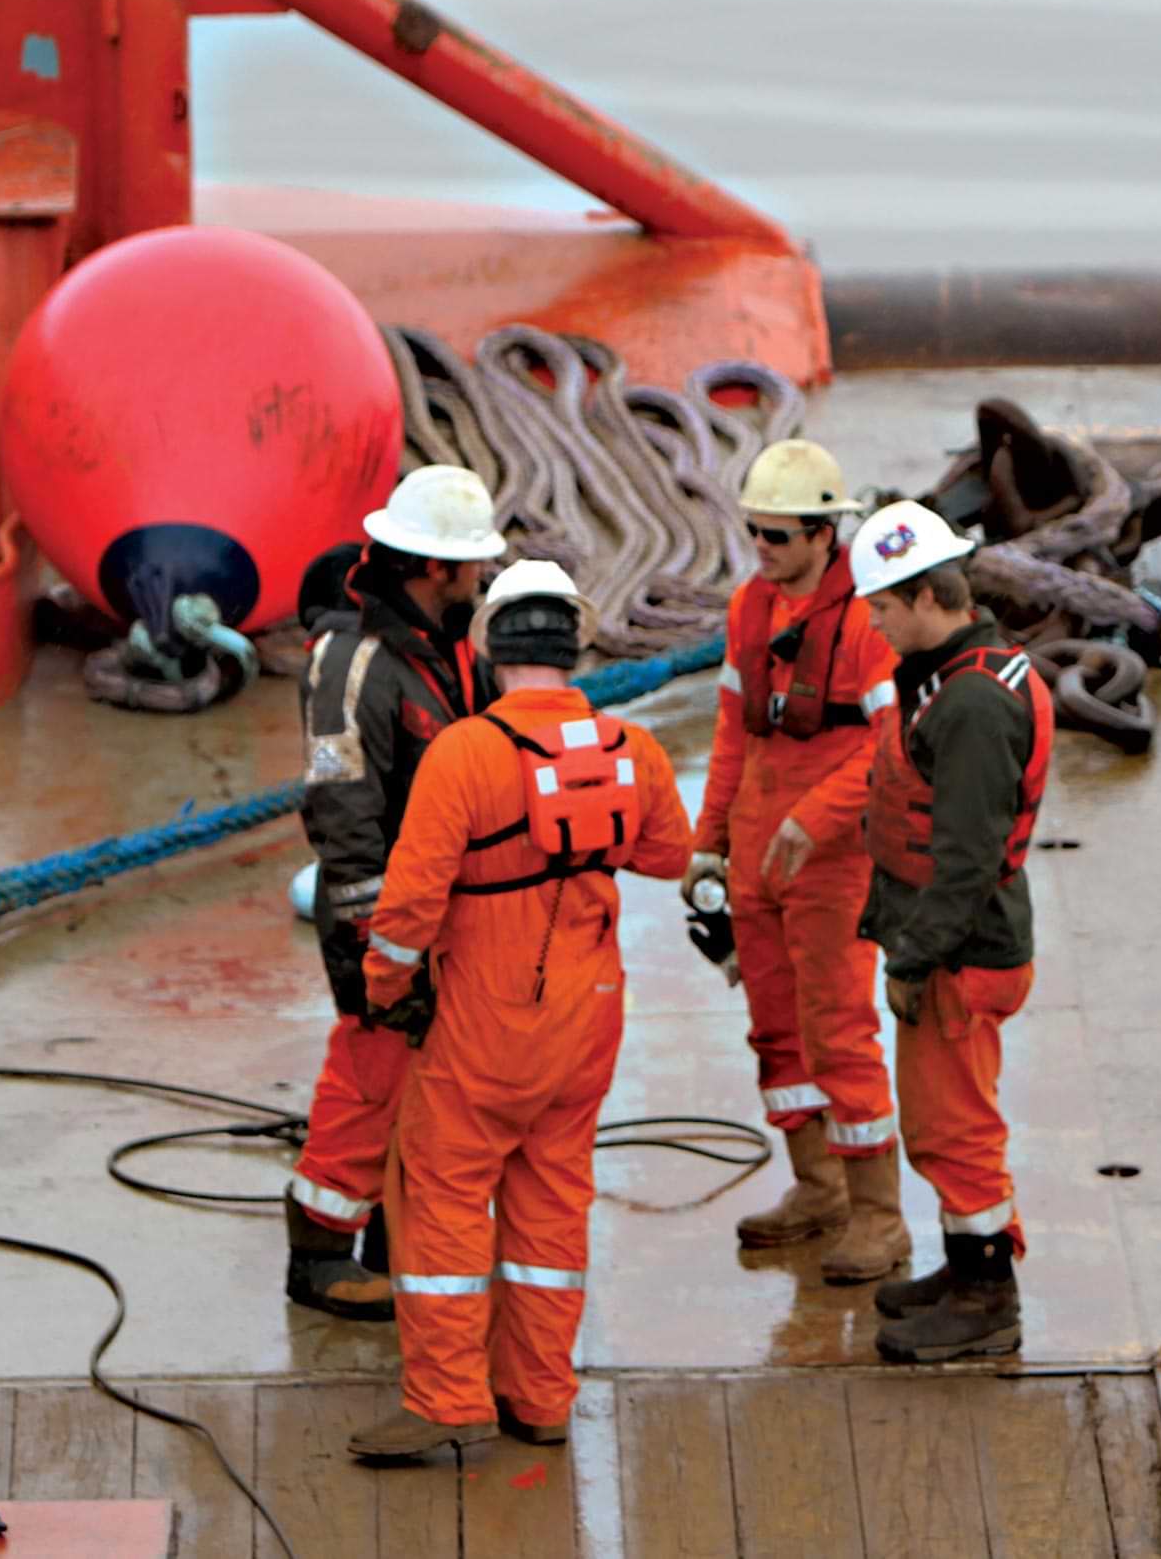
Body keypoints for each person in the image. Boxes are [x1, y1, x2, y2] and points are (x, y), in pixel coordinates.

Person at [346, 562, 693, 1461]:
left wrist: (385, 988)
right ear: (573, 646)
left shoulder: (465, 751)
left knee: (443, 1193)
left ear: (487, 649)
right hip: (589, 1019)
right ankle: (538, 1397)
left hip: (486, 1019)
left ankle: (446, 1397)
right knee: (551, 1199)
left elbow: (410, 905)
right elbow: (668, 855)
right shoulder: (632, 747)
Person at [682, 440, 908, 1284]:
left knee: (841, 1031)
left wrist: (815, 819)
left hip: (833, 860)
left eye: (778, 536)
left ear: (824, 535)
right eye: (755, 534)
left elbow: (890, 742)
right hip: (757, 855)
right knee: (776, 1030)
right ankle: (819, 1187)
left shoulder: (866, 624)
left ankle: (880, 1216)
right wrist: (709, 838)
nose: (763, 551)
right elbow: (734, 730)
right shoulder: (750, 608)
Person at [285, 466, 507, 1320]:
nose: (481, 579)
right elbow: (343, 816)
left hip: (438, 914)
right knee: (368, 1079)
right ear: (435, 567)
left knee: (424, 1088)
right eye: (473, 565)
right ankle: (317, 1251)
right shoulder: (354, 663)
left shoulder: (447, 647)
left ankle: (387, 1236)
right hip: (384, 925)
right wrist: (376, 952)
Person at [849, 499, 1053, 1363]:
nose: (876, 625)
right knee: (942, 1119)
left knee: (955, 1127)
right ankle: (962, 1265)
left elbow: (965, 861)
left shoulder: (971, 705)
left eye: (884, 610)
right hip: (950, 946)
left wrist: (912, 957)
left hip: (963, 956)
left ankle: (985, 1296)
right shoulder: (953, 670)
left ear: (928, 596)